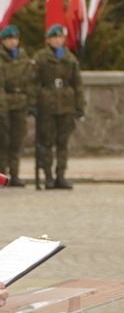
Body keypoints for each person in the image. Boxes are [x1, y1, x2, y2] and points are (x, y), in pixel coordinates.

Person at [32, 25, 84, 190]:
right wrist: (33, 105)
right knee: (46, 142)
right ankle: (47, 176)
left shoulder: (70, 58)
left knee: (63, 142)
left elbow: (78, 84)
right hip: (47, 104)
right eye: (54, 38)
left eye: (60, 38)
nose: (58, 40)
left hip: (66, 104)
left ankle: (60, 175)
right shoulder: (41, 57)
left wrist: (79, 106)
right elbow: (33, 83)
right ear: (48, 40)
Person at [1, 25, 36, 187]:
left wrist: (31, 102)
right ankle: (2, 175)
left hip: (20, 103)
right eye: (9, 39)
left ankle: (15, 174)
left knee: (17, 140)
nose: (13, 42)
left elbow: (29, 82)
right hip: (3, 103)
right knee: (3, 141)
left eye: (15, 39)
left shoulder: (23, 58)